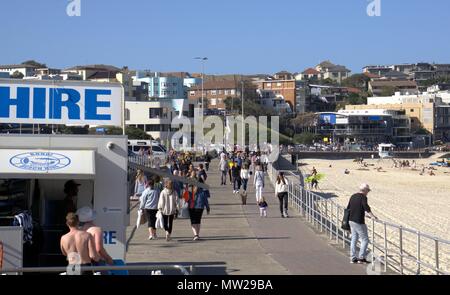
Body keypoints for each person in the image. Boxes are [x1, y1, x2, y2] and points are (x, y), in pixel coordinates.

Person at [346, 184, 378, 264]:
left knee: (354, 238)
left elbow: (349, 207)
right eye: (368, 191)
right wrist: (372, 215)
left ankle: (353, 258)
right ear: (364, 190)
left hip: (351, 220)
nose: (368, 192)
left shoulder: (353, 196)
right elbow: (366, 206)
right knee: (365, 239)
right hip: (358, 221)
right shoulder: (363, 197)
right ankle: (361, 257)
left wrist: (364, 214)